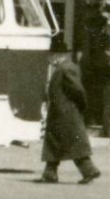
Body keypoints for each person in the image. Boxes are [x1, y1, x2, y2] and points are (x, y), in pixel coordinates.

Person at [39, 52, 100, 184]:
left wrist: (81, 106)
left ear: (58, 56)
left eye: (52, 56)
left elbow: (78, 90)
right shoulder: (64, 68)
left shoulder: (66, 68)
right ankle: (50, 173)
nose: (50, 60)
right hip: (61, 114)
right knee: (56, 143)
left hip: (65, 114)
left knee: (72, 143)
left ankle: (89, 170)